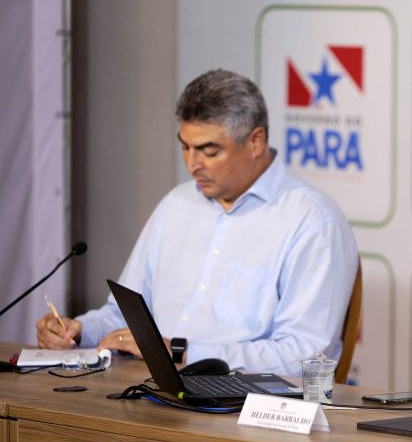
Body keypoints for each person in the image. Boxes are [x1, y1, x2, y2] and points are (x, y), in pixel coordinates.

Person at [35, 69, 359, 376]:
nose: (193, 165)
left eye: (208, 151)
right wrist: (78, 332)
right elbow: (124, 316)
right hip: (146, 389)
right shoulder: (177, 204)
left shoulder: (313, 221)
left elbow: (305, 355)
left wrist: (183, 352)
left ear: (256, 142)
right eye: (186, 148)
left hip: (246, 409)